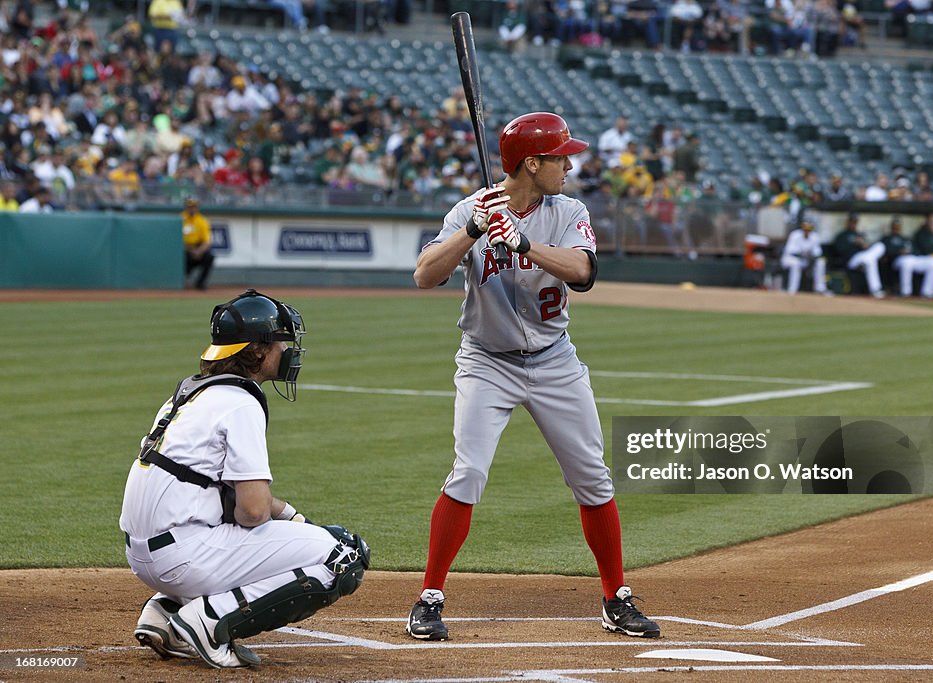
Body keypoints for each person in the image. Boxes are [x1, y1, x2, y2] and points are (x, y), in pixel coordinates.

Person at [407, 112, 660, 642]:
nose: (568, 164)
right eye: (559, 156)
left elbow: (584, 272)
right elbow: (425, 274)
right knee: (468, 471)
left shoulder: (568, 210)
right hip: (486, 362)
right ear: (531, 163)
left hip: (554, 362)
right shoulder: (470, 209)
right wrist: (473, 231)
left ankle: (616, 597)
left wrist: (522, 243)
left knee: (592, 477)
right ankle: (429, 598)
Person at [120, 290, 369, 669]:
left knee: (304, 537)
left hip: (145, 556)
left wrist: (292, 519)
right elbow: (251, 512)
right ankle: (208, 619)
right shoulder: (241, 402)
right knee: (343, 554)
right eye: (282, 342)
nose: (289, 350)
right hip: (185, 556)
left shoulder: (191, 395)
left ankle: (165, 612)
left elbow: (220, 492)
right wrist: (299, 534)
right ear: (258, 350)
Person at [831, 213, 885, 298]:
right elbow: (840, 250)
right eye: (851, 221)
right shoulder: (842, 235)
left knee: (880, 246)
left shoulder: (859, 234)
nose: (853, 224)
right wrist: (853, 243)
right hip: (852, 260)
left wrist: (863, 244)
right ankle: (875, 289)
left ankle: (875, 289)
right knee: (870, 260)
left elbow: (867, 248)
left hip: (863, 257)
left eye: (855, 222)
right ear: (848, 222)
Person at [780, 218, 828, 295]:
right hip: (789, 259)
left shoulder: (815, 236)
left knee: (820, 262)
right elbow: (791, 252)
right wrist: (804, 255)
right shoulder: (795, 235)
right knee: (796, 264)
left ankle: (820, 288)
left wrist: (811, 257)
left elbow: (818, 253)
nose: (807, 231)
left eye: (809, 229)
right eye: (805, 229)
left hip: (805, 260)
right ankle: (792, 289)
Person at [182, 197, 215, 290]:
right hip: (185, 248)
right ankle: (181, 281)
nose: (192, 209)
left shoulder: (202, 221)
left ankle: (200, 283)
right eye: (190, 207)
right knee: (181, 257)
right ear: (186, 207)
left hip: (198, 248)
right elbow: (176, 240)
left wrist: (199, 251)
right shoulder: (181, 218)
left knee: (209, 256)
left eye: (194, 207)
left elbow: (207, 241)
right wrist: (190, 250)